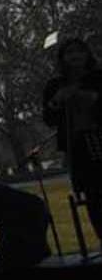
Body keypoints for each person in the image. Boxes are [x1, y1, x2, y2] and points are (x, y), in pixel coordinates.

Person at [41, 36, 102, 247]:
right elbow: (49, 119)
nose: (75, 56)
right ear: (62, 58)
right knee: (93, 197)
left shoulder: (98, 76)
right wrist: (57, 100)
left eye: (79, 51)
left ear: (87, 54)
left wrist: (92, 98)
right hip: (78, 147)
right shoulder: (55, 84)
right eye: (69, 52)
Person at [0, 176, 51, 271]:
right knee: (9, 255)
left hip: (31, 212)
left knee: (13, 254)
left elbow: (3, 221)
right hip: (22, 216)